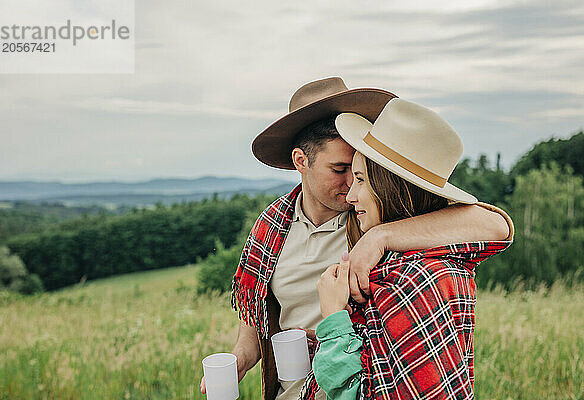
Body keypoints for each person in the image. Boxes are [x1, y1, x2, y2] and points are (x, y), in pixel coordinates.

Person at [200, 77, 512, 400]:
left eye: (359, 171)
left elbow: (496, 227)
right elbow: (255, 322)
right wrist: (240, 358)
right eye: (339, 169)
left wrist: (380, 236)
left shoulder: (375, 217)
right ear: (300, 162)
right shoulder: (270, 228)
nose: (351, 187)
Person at [305, 99, 513, 399]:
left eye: (361, 180)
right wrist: (341, 338)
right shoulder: (431, 259)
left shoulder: (410, 280)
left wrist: (334, 319)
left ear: (392, 187)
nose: (350, 195)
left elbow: (360, 393)